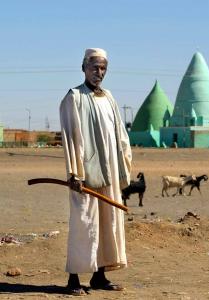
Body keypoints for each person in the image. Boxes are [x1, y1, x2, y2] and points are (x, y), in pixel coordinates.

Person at [60, 48, 132, 296]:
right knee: (84, 223)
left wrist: (123, 169)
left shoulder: (109, 97)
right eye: (94, 67)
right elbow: (71, 138)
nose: (98, 73)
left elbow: (120, 135)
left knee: (107, 222)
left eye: (103, 68)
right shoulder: (74, 98)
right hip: (85, 174)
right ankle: (73, 279)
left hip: (109, 172)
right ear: (83, 68)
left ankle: (99, 277)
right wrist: (74, 174)